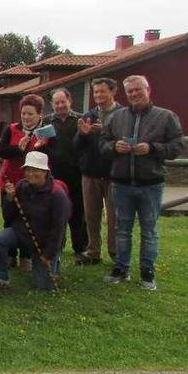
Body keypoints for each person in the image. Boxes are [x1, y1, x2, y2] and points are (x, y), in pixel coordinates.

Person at [100, 75, 183, 291]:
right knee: (122, 229)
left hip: (150, 183)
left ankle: (147, 273)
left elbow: (177, 147)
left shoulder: (166, 117)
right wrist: (114, 147)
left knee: (149, 230)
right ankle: (121, 269)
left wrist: (153, 149)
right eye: (130, 92)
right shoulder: (116, 117)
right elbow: (103, 144)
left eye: (138, 90)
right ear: (126, 95)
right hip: (122, 183)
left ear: (148, 89)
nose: (134, 94)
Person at [0, 151, 71, 292]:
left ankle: (54, 262)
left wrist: (48, 254)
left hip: (45, 241)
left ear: (45, 171)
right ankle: (1, 279)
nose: (30, 174)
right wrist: (9, 199)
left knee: (43, 286)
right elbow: (9, 217)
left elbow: (59, 229)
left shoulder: (57, 194)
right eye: (28, 170)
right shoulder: (22, 186)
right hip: (22, 233)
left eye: (35, 170)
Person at [0, 93, 48, 273]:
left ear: (40, 114)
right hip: (9, 181)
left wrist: (42, 146)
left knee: (28, 221)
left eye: (30, 114)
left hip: (31, 184)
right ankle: (10, 256)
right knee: (9, 218)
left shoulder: (45, 132)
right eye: (23, 113)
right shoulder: (11, 129)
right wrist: (18, 148)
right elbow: (1, 152)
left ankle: (26, 256)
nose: (26, 117)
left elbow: (49, 157)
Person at [73, 77, 122, 264]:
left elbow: (124, 141)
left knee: (114, 218)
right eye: (95, 92)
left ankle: (115, 253)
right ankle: (93, 251)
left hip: (114, 174)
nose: (98, 95)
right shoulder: (89, 115)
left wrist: (104, 132)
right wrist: (82, 134)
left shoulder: (123, 114)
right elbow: (76, 146)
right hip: (90, 173)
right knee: (91, 216)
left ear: (112, 92)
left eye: (102, 91)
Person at [42, 87, 87, 263]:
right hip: (55, 175)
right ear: (52, 104)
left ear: (70, 101)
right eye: (56, 103)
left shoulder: (80, 120)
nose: (60, 105)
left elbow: (88, 144)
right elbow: (42, 147)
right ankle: (58, 247)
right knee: (56, 214)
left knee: (78, 214)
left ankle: (80, 248)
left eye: (63, 102)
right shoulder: (46, 122)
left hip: (76, 174)